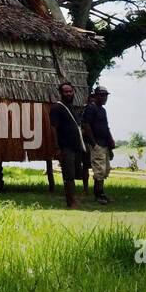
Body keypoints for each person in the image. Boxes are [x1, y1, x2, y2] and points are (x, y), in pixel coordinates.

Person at [49, 81, 87, 209]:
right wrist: (57, 148)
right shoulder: (57, 108)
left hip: (75, 146)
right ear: (60, 93)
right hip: (65, 147)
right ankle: (70, 202)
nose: (69, 93)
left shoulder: (72, 107)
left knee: (76, 174)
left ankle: (74, 199)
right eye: (66, 91)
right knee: (69, 175)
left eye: (70, 91)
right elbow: (53, 128)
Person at [80, 86, 114, 205]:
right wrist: (93, 143)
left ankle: (101, 193)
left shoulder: (102, 110)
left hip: (104, 143)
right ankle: (98, 194)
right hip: (96, 143)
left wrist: (110, 140)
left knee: (105, 169)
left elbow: (106, 126)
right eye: (102, 95)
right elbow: (86, 125)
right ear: (96, 96)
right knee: (99, 170)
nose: (104, 98)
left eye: (106, 95)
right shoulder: (91, 108)